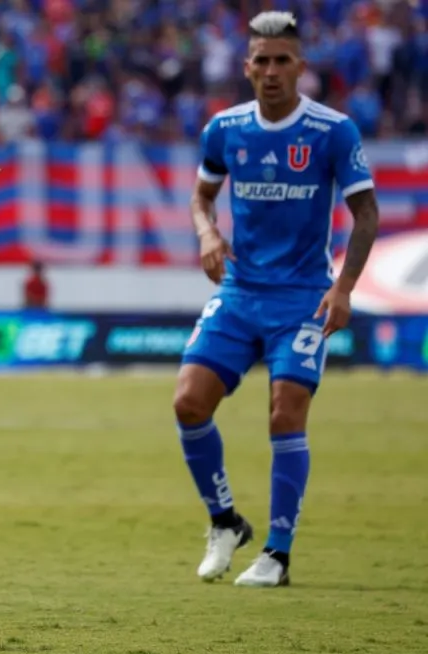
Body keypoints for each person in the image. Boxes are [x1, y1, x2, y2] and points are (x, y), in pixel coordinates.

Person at [174, 12, 379, 588]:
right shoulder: (224, 129)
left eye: (281, 60)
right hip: (240, 294)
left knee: (285, 412)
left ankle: (278, 554)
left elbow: (366, 213)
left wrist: (344, 288)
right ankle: (224, 522)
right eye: (260, 61)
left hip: (304, 298)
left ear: (300, 68)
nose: (270, 71)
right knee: (189, 402)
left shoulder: (333, 131)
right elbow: (201, 196)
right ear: (246, 68)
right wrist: (208, 232)